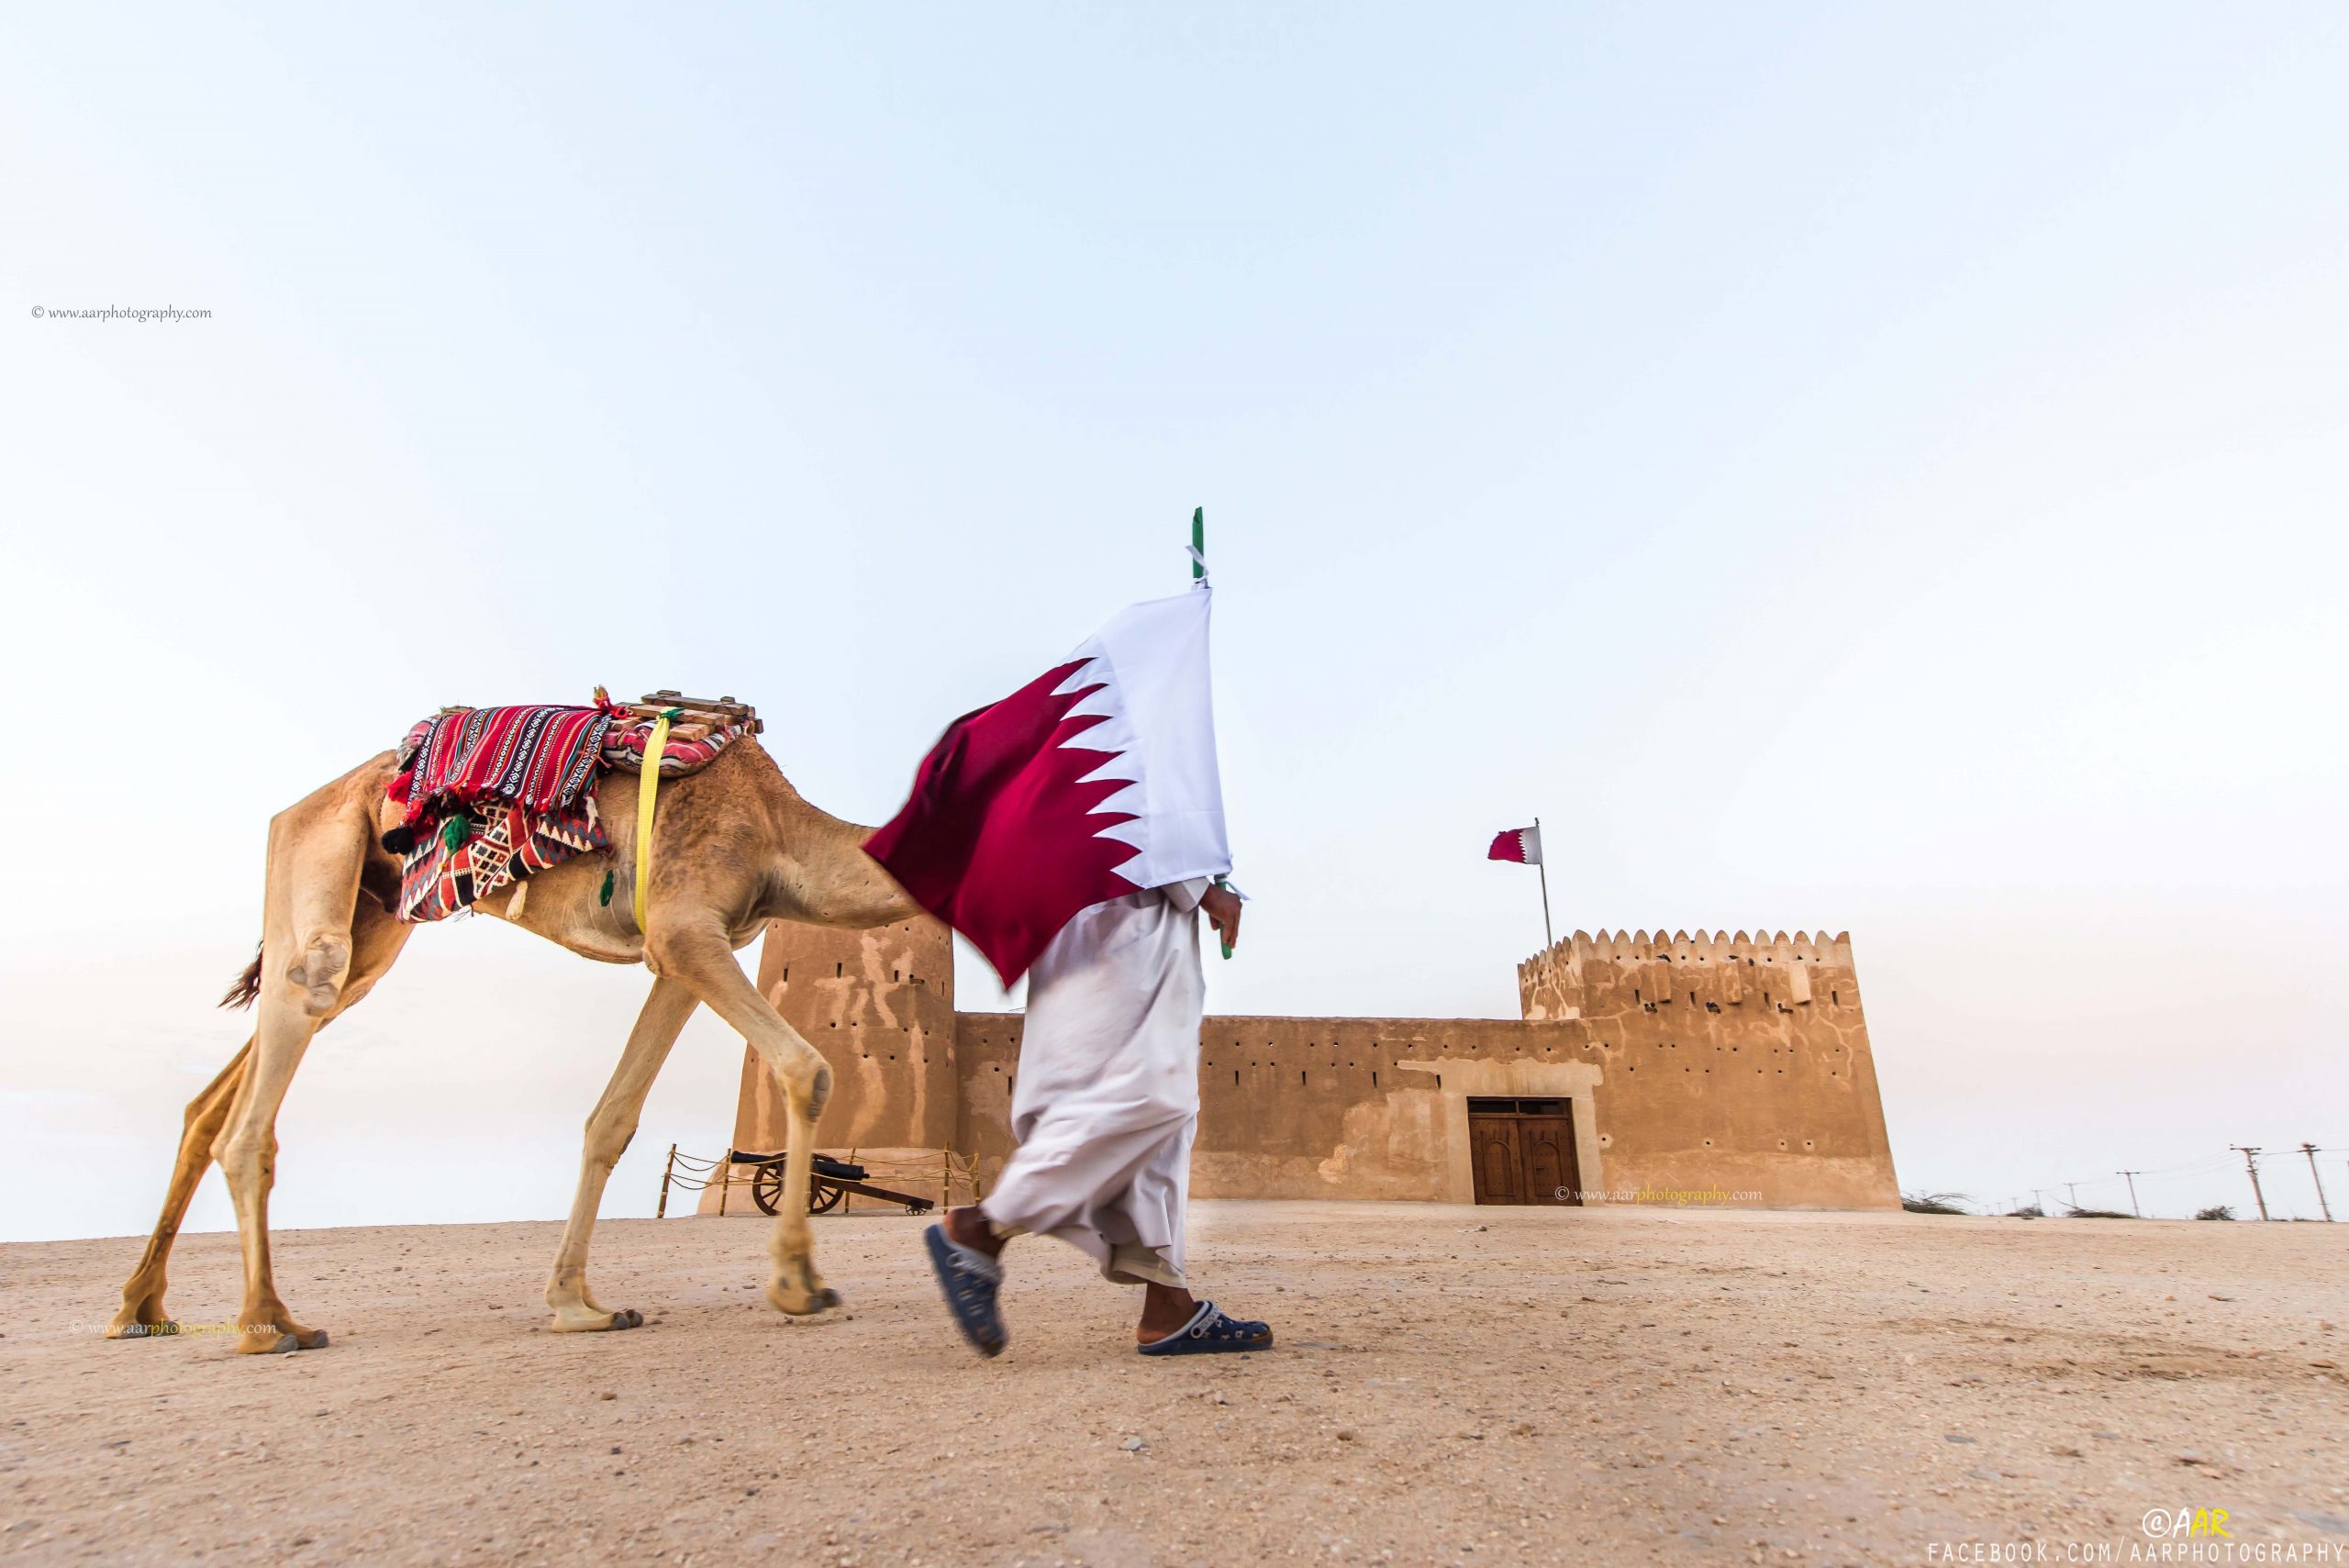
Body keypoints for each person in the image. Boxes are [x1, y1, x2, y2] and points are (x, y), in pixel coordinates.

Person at [922, 875, 1273, 1358]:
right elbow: (1136, 804)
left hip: (1106, 910)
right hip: (1129, 911)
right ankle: (983, 1227)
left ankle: (1167, 1306)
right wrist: (1200, 888)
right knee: (1149, 1091)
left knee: (1155, 1112)